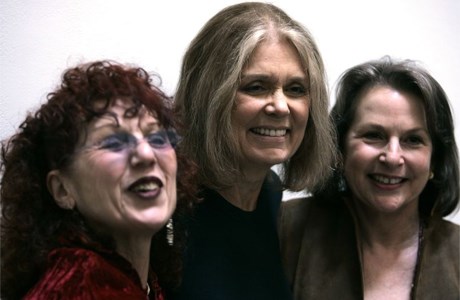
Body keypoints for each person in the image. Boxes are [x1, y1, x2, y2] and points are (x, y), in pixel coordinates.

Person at [170, 2, 336, 299]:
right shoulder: (162, 205)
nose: (281, 106)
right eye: (257, 87)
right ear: (208, 95)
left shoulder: (272, 196)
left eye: (296, 89)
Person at [0, 60, 197, 299]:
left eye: (156, 138)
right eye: (114, 143)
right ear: (62, 190)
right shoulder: (79, 286)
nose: (146, 154)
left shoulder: (142, 279)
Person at [280, 56, 460, 299]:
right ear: (340, 149)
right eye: (374, 135)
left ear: (434, 161)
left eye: (413, 140)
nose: (393, 157)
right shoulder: (285, 228)